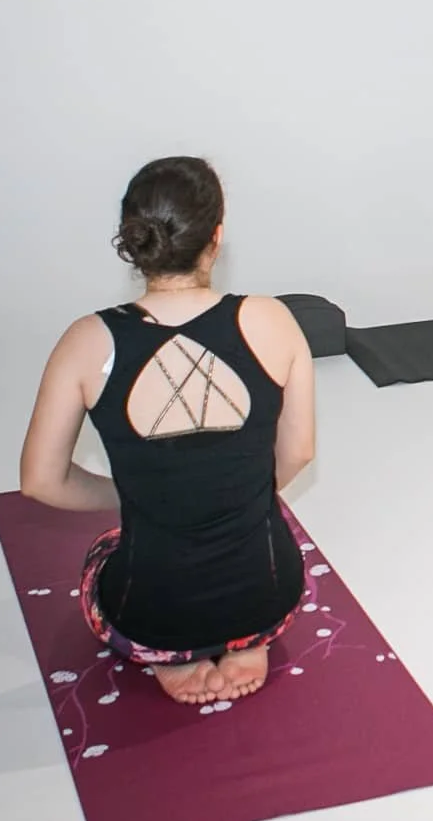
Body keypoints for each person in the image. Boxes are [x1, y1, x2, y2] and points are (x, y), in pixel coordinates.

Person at [18, 158, 317, 706]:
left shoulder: (85, 341)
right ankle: (250, 639)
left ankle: (174, 654)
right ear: (216, 237)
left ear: (135, 238)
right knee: (269, 543)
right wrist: (230, 491)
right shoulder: (273, 319)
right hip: (270, 595)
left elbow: (40, 482)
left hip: (152, 616)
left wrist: (134, 495)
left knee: (107, 548)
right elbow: (298, 452)